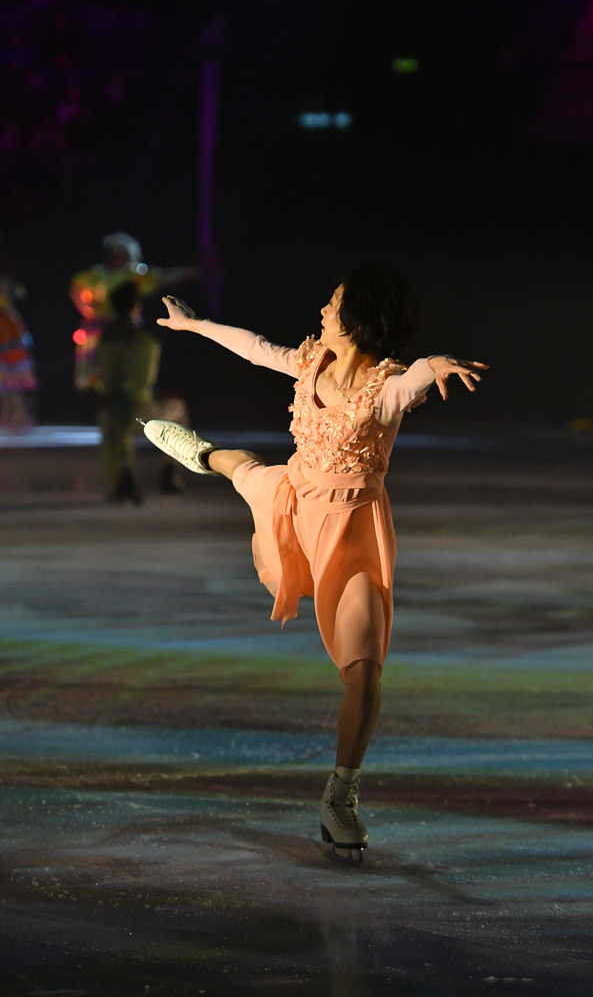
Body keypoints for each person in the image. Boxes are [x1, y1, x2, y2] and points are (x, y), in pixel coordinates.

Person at [142, 264, 488, 861]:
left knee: (365, 671)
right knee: (245, 471)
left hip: (351, 533)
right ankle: (206, 454)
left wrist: (441, 363)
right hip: (293, 499)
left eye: (332, 306)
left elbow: (419, 379)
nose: (322, 313)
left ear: (353, 323)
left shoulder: (385, 389)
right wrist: (196, 326)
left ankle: (340, 797)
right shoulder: (310, 362)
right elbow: (254, 349)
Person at [70, 231, 199, 391]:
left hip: (128, 323)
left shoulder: (132, 273)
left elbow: (160, 277)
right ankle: (91, 380)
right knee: (90, 347)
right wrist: (86, 307)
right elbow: (76, 287)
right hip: (99, 324)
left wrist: (189, 272)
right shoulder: (96, 273)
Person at [95, 280, 160, 503]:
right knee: (180, 413)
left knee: (114, 427)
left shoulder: (105, 338)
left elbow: (99, 373)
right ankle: (170, 476)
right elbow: (141, 381)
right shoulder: (143, 339)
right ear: (136, 306)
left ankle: (118, 480)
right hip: (137, 405)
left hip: (111, 402)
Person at [0, 234, 37, 428]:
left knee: (10, 376)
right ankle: (10, 414)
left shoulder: (8, 282)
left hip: (8, 329)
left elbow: (17, 297)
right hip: (7, 327)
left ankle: (18, 415)